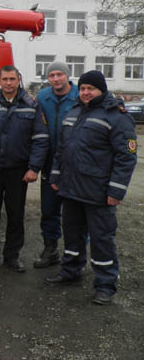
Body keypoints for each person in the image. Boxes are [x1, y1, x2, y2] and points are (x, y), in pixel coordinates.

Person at [45, 71, 137, 305]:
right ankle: (71, 271)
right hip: (71, 189)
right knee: (73, 235)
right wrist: (56, 175)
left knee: (101, 239)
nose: (86, 93)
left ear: (101, 90)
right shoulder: (74, 112)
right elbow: (62, 149)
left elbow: (126, 157)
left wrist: (116, 191)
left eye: (91, 89)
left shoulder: (116, 116)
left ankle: (105, 284)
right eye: (83, 88)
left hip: (98, 193)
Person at [0, 65, 49, 272]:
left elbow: (40, 138)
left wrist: (34, 168)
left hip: (18, 170)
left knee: (15, 215)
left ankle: (12, 256)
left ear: (18, 79)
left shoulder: (31, 104)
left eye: (12, 79)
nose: (9, 83)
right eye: (5, 79)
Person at [34, 61, 78, 268]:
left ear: (67, 76)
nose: (56, 78)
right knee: (49, 208)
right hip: (49, 159)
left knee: (74, 210)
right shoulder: (43, 96)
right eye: (52, 75)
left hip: (75, 161)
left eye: (60, 74)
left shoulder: (81, 95)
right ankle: (50, 249)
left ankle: (75, 255)